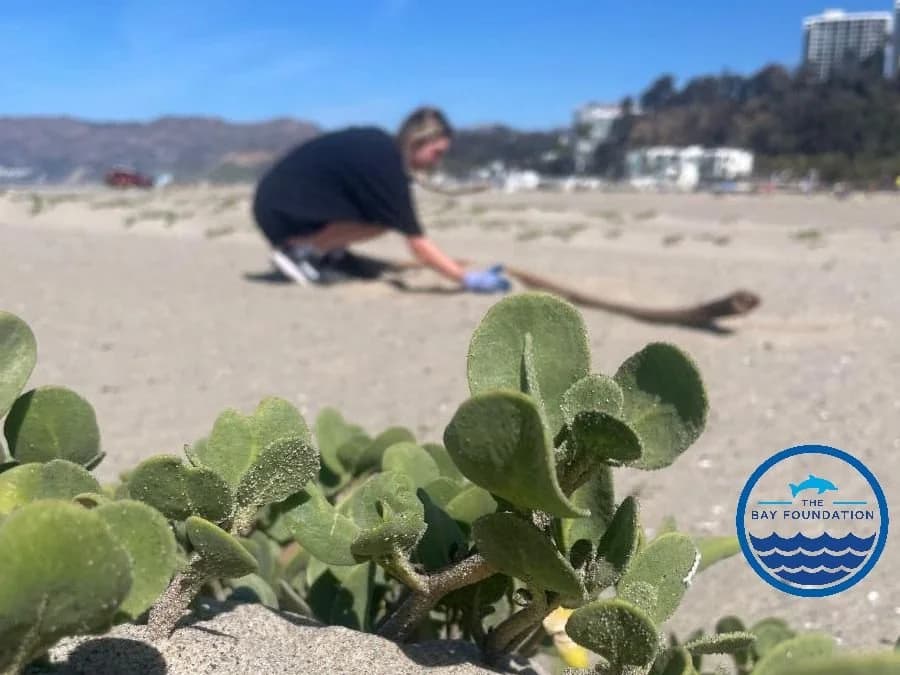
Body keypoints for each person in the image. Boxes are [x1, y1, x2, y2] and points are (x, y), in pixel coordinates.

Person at [252, 107, 510, 292]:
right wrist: (465, 278)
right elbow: (417, 242)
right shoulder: (387, 166)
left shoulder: (381, 150)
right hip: (278, 210)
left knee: (378, 216)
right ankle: (301, 252)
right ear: (419, 141)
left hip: (275, 201)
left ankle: (326, 252)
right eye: (436, 152)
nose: (437, 160)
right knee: (381, 221)